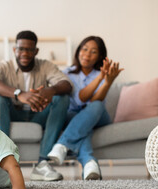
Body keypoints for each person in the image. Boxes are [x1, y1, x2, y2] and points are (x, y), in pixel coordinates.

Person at [0, 30, 73, 182]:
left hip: (38, 114)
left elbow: (67, 84)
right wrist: (19, 93)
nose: (25, 53)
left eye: (29, 49)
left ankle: (43, 163)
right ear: (14, 50)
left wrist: (50, 90)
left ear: (36, 51)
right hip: (12, 114)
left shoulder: (45, 66)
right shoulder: (3, 66)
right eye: (21, 49)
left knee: (62, 98)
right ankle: (2, 160)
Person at [47, 36, 124, 180]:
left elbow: (96, 100)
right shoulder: (67, 73)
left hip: (98, 115)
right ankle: (90, 164)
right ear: (78, 51)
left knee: (95, 106)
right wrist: (101, 78)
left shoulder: (101, 73)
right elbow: (80, 98)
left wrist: (106, 81)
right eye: (85, 49)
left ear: (100, 56)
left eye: (93, 52)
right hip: (73, 116)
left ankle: (62, 145)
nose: (87, 54)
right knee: (83, 125)